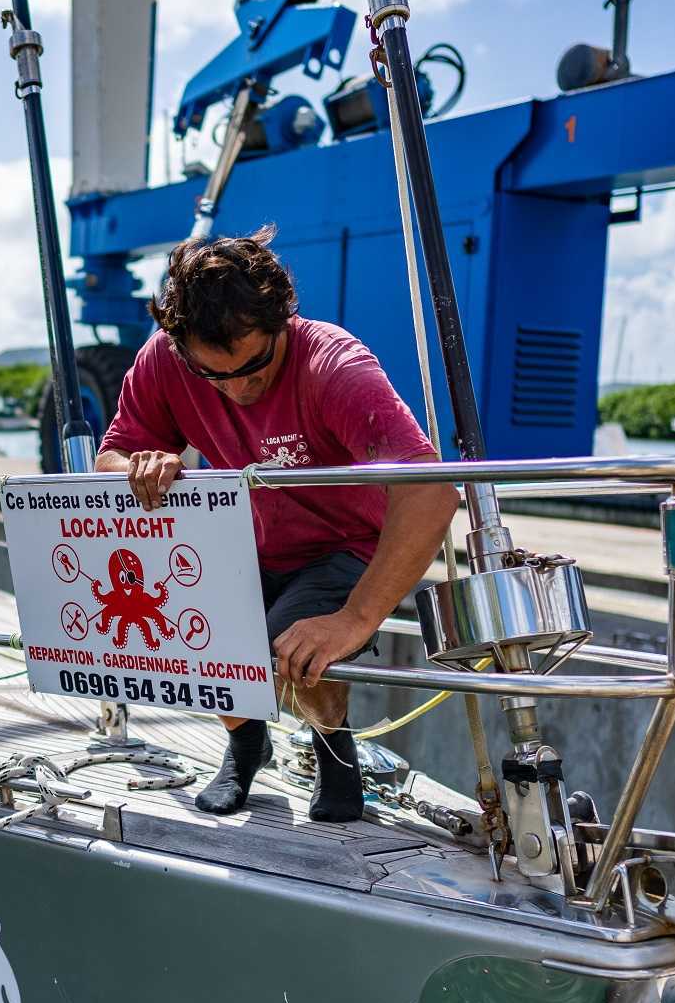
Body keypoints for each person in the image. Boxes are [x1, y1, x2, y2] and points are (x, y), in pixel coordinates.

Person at [94, 228, 458, 822]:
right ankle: (246, 745)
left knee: (292, 646)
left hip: (345, 544)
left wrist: (355, 618)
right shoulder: (164, 357)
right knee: (194, 627)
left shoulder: (335, 366)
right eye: (214, 375)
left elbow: (429, 489)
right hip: (247, 537)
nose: (237, 389)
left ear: (283, 320)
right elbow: (109, 458)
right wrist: (141, 464)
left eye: (255, 367)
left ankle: (335, 750)